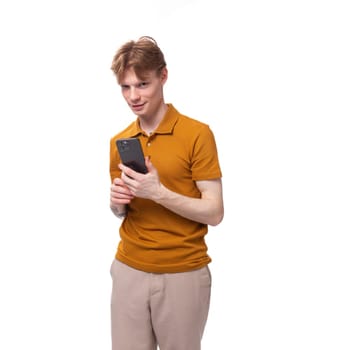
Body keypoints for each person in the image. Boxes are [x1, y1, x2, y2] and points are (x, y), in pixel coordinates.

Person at [108, 36, 224, 350]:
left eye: (142, 84)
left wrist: (158, 192)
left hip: (182, 273)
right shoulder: (121, 141)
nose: (133, 96)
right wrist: (117, 203)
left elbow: (214, 212)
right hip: (129, 268)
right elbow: (123, 211)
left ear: (164, 76)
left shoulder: (197, 134)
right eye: (125, 87)